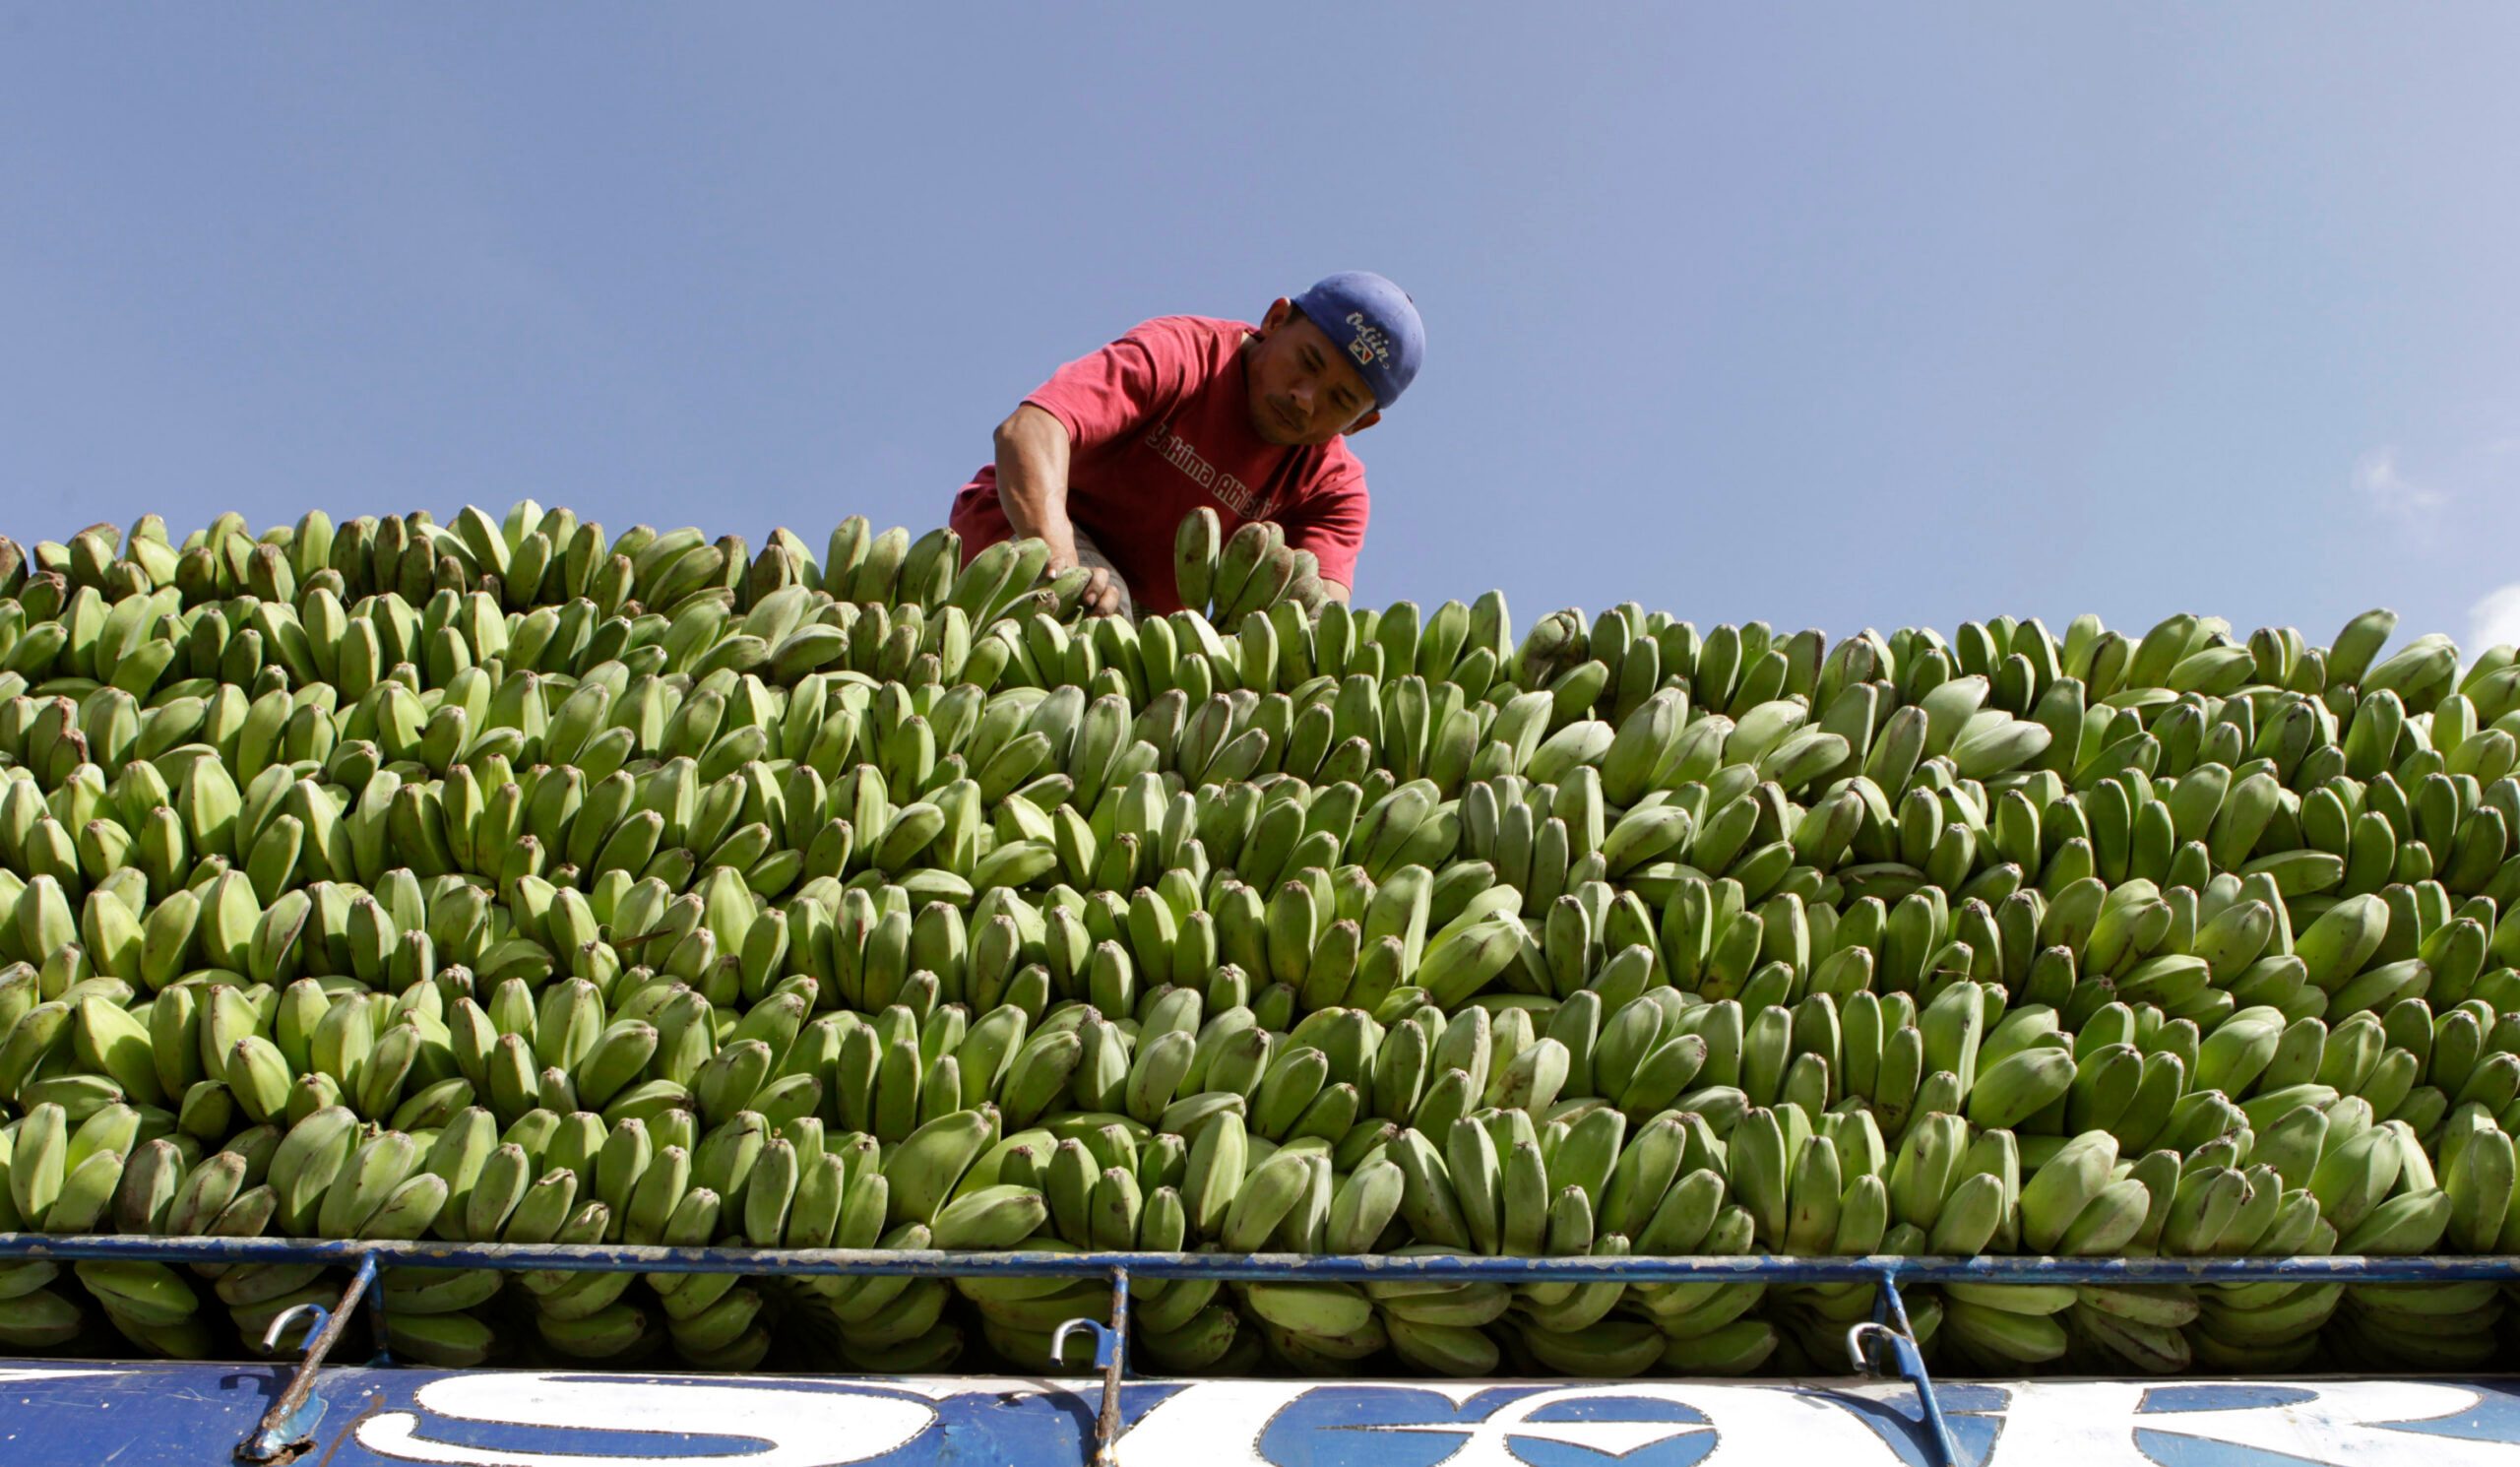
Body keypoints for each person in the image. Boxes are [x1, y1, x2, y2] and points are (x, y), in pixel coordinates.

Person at [949, 272, 1423, 619]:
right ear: (1275, 320)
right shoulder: (1183, 353)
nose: (1305, 399)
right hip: (1029, 531)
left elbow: (1319, 614)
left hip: (1154, 618)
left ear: (1362, 425)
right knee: (1103, 617)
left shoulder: (1333, 490)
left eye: (1339, 400)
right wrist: (1060, 560)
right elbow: (1031, 430)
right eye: (1308, 362)